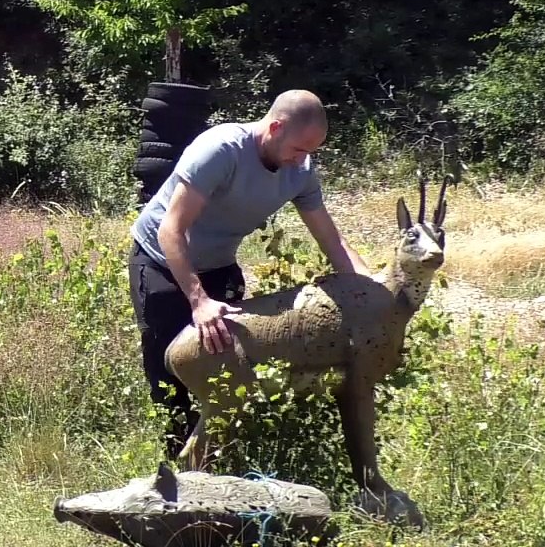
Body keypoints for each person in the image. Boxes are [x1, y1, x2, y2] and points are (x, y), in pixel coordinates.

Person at [128, 89, 370, 460]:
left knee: (230, 371)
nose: (302, 160)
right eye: (299, 149)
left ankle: (224, 469)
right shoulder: (220, 151)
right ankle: (177, 485)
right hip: (162, 264)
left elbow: (332, 240)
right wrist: (199, 301)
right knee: (172, 378)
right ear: (274, 127)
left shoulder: (300, 171)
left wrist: (369, 293)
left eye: (312, 152)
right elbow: (170, 231)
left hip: (219, 266)